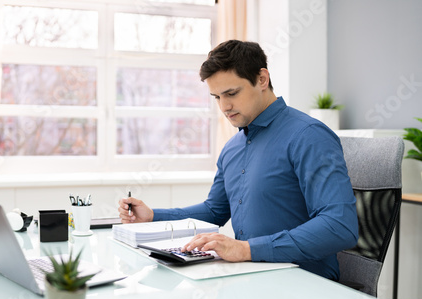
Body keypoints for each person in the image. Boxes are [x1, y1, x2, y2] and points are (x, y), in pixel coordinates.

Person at [118, 40, 358, 280]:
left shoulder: (309, 136)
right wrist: (152, 216)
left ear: (262, 79)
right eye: (216, 97)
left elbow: (340, 226)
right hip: (250, 278)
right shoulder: (232, 148)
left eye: (231, 93)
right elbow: (214, 211)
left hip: (305, 285)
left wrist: (245, 249)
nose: (224, 106)